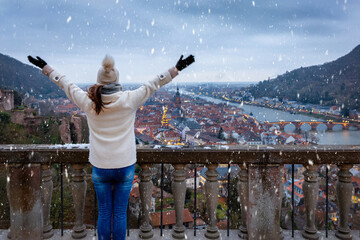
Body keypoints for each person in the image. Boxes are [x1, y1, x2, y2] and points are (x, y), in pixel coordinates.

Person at [27, 54, 195, 240]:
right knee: (120, 213)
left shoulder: (90, 102)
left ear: (99, 81)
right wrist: (177, 68)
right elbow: (154, 84)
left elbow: (67, 85)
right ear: (117, 80)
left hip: (101, 166)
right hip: (124, 165)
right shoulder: (129, 100)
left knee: (105, 213)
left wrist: (46, 68)